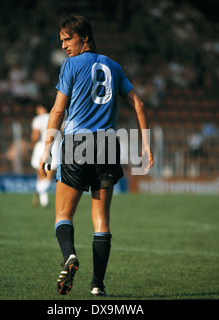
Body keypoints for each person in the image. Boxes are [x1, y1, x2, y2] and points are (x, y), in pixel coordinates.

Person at [39, 15, 153, 296]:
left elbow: (57, 110)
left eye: (69, 39)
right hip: (107, 145)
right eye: (62, 40)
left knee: (63, 214)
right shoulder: (114, 66)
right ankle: (97, 286)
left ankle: (69, 257)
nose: (64, 45)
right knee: (101, 220)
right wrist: (146, 145)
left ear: (85, 38)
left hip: (77, 143)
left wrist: (47, 147)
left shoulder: (70, 65)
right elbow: (137, 102)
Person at [30, 104, 60, 207]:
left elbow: (35, 136)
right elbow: (63, 131)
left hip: (40, 145)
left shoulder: (38, 119)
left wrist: (32, 144)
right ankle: (42, 197)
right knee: (49, 173)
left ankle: (40, 194)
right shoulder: (57, 115)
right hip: (53, 144)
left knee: (40, 174)